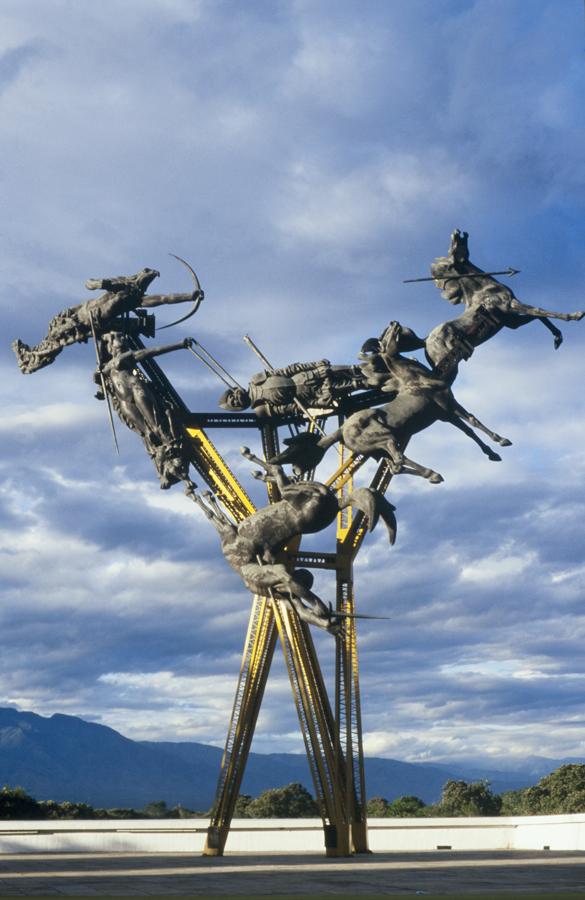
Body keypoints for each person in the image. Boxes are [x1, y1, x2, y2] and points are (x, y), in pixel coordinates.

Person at [219, 359, 366, 419]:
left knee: (353, 369)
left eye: (233, 396)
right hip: (310, 395)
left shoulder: (256, 379)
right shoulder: (260, 409)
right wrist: (318, 402)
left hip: (306, 376)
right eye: (234, 402)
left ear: (235, 390)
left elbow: (287, 371)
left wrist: (314, 365)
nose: (236, 399)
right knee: (355, 384)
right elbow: (293, 408)